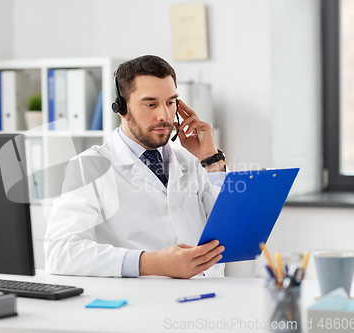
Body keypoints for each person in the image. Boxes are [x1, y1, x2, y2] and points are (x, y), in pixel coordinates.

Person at [45, 55, 227, 279]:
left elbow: (229, 230)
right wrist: (149, 263)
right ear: (122, 107)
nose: (164, 116)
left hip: (209, 298)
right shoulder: (89, 166)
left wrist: (211, 159)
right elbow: (60, 252)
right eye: (151, 104)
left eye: (171, 103)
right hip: (142, 304)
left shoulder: (191, 162)